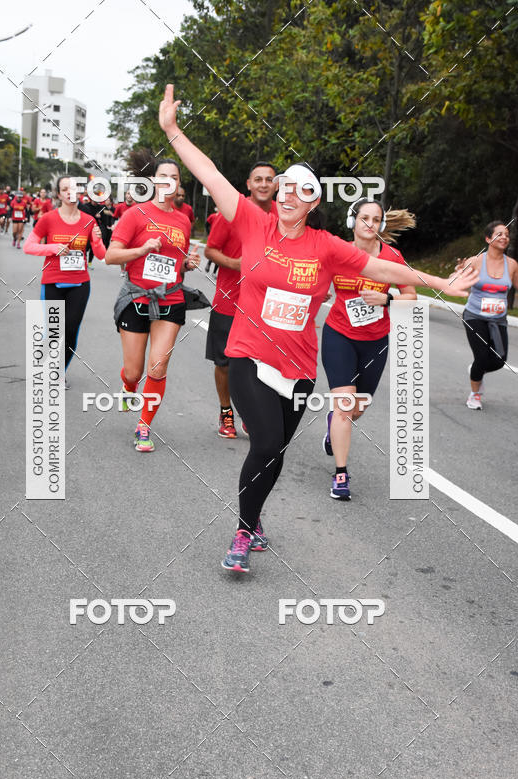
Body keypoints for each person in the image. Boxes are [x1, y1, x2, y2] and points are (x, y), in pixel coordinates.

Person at [157, 84, 478, 574]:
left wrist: (442, 284)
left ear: (313, 203)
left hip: (298, 365)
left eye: (303, 190)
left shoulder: (327, 246)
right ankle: (243, 533)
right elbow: (211, 174)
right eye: (285, 185)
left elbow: (388, 271)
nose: (290, 193)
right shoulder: (249, 221)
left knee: (276, 449)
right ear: (276, 193)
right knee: (264, 442)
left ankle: (254, 515)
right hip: (247, 353)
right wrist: (173, 131)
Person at [321, 198, 417, 500]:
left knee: (357, 407)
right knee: (345, 407)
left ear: (381, 226)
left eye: (375, 220)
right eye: (364, 218)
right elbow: (317, 284)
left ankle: (333, 426)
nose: (369, 224)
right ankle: (341, 475)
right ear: (353, 221)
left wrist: (386, 300)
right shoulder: (338, 252)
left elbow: (411, 295)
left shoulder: (392, 257)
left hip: (376, 341)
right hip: (339, 334)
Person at [105, 156, 201, 453]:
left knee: (157, 367)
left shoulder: (184, 220)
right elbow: (110, 256)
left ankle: (143, 426)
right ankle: (129, 385)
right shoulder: (135, 215)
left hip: (171, 298)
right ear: (154, 181)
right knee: (134, 371)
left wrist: (188, 263)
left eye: (175, 176)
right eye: (164, 176)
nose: (170, 181)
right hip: (137, 297)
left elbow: (176, 264)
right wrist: (142, 248)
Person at [204, 161, 277, 439]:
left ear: (275, 185)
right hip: (229, 300)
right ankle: (226, 411)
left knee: (259, 363)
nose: (263, 184)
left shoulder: (283, 217)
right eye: (257, 179)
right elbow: (211, 250)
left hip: (266, 306)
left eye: (268, 179)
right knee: (224, 363)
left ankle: (249, 411)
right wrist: (235, 264)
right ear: (248, 184)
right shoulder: (231, 213)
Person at [23, 175, 106, 383]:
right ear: (59, 194)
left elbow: (102, 254)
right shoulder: (48, 219)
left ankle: (59, 373)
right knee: (52, 329)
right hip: (52, 281)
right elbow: (29, 246)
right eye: (65, 188)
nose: (71, 192)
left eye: (74, 187)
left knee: (70, 330)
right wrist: (52, 248)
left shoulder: (89, 221)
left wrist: (97, 238)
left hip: (80, 283)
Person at [460, 221, 518, 410]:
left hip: (498, 319)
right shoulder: (474, 261)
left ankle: (475, 370)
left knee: (499, 360)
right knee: (481, 356)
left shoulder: (511, 264)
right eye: (499, 234)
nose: (504, 237)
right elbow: (459, 283)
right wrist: (457, 275)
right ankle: (475, 395)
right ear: (488, 239)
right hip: (475, 316)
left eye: (506, 234)